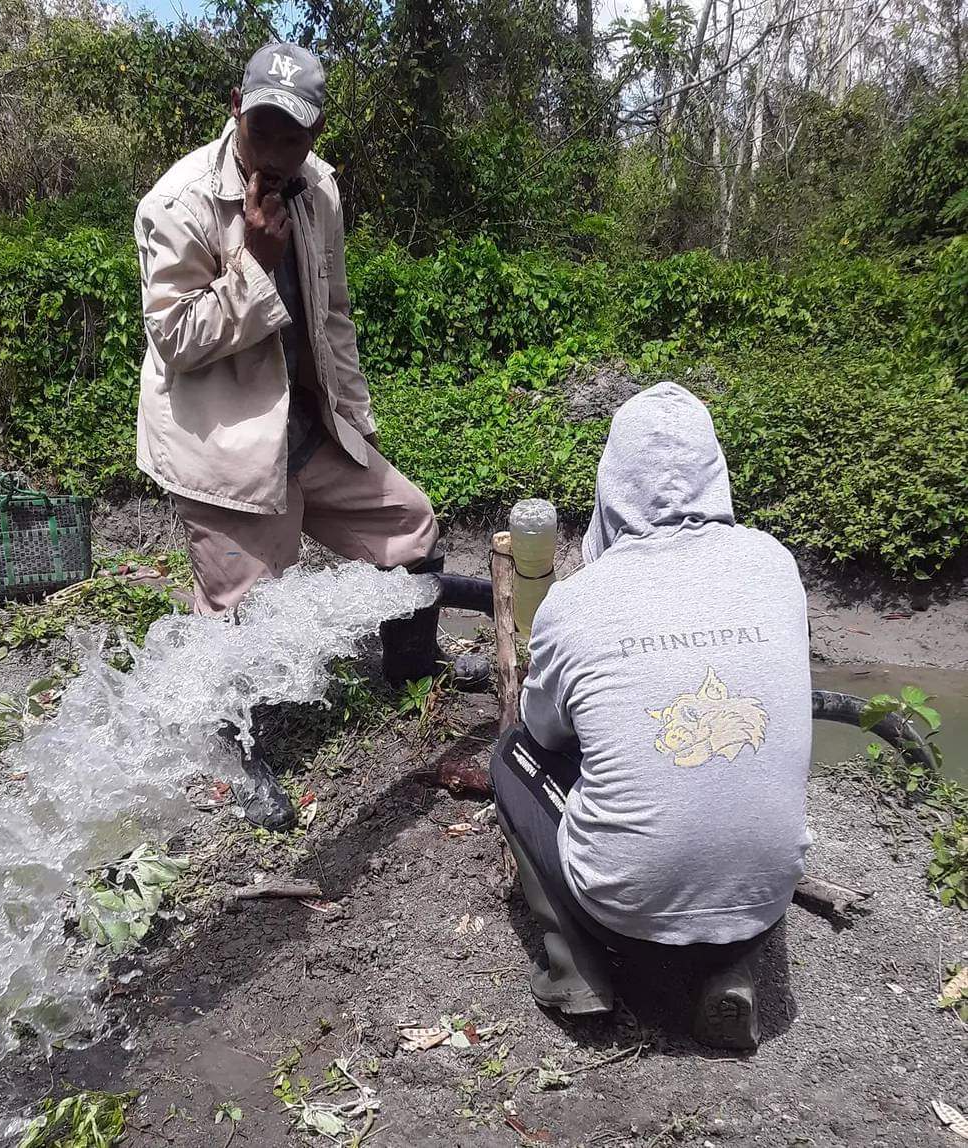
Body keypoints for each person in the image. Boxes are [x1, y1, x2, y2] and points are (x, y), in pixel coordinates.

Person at [134, 43, 456, 829]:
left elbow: (332, 312)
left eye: (293, 136)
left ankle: (408, 667)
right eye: (263, 129)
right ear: (238, 109)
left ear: (314, 134)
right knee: (244, 613)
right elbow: (174, 339)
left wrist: (357, 420)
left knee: (409, 524)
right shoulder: (174, 204)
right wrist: (253, 262)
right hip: (225, 444)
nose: (275, 152)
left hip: (308, 424)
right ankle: (242, 753)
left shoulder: (320, 190)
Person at [490, 381, 812, 1050]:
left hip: (622, 914)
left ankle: (575, 970)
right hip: (763, 899)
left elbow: (544, 733)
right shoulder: (772, 566)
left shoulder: (577, 603)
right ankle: (728, 965)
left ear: (612, 484)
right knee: (733, 790)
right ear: (716, 474)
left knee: (511, 756)